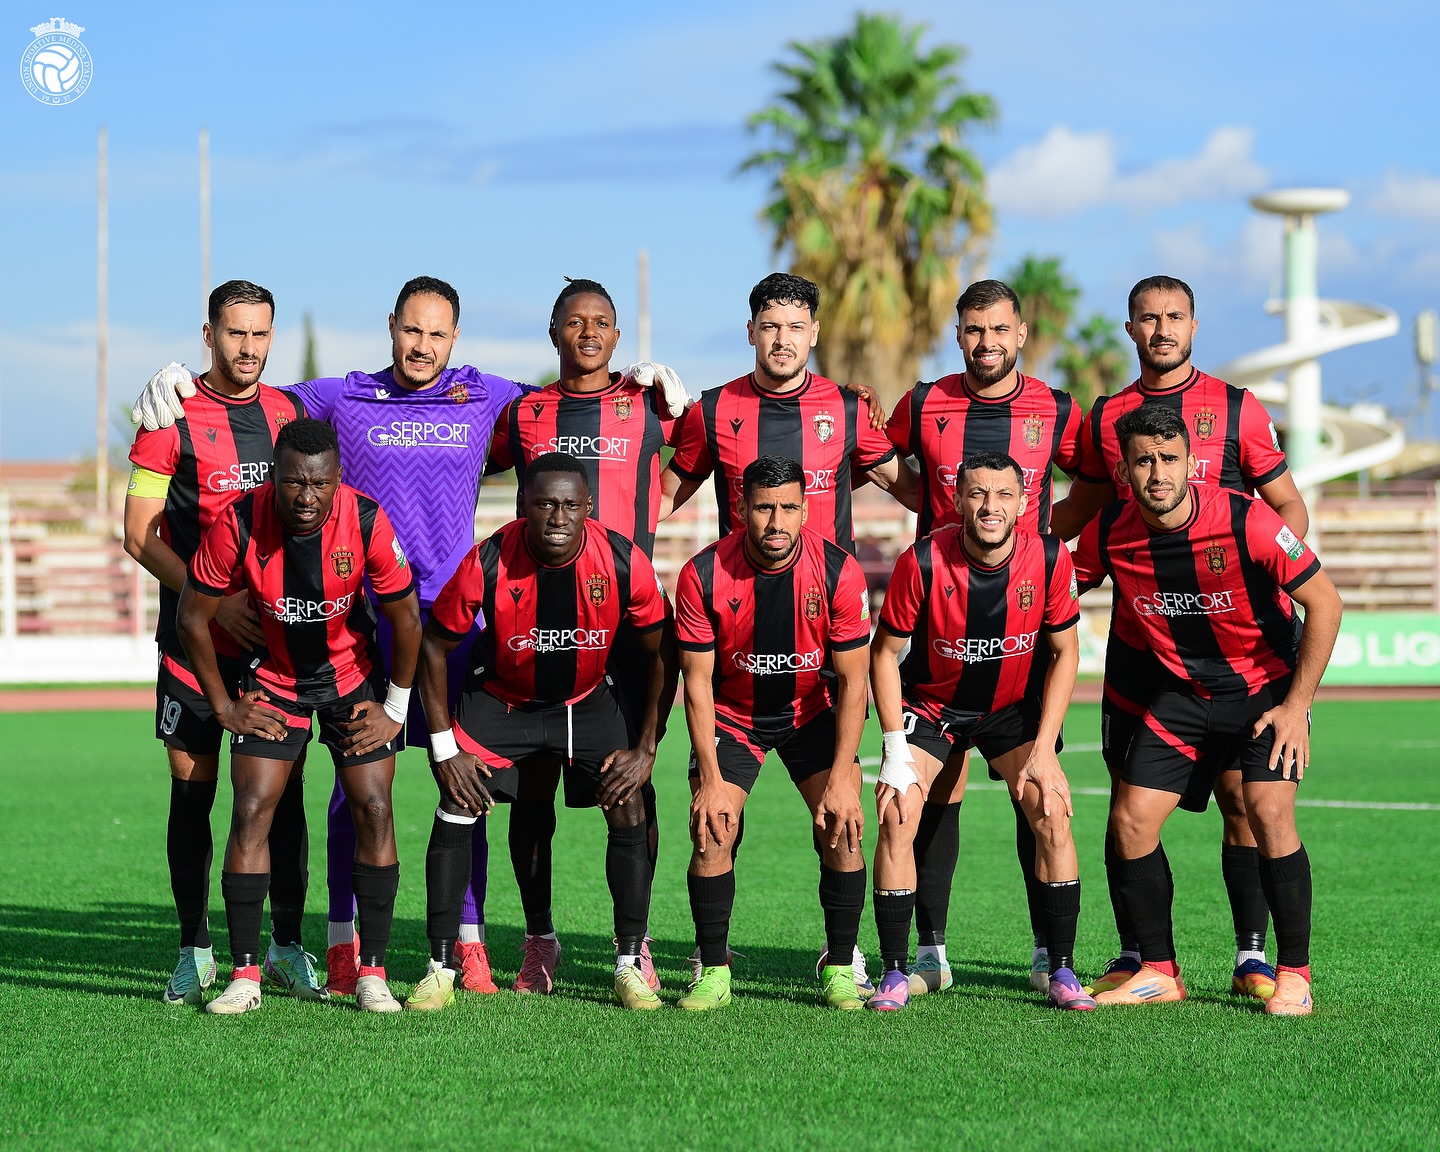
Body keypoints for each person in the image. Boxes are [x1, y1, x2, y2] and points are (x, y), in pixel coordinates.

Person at [130, 277, 687, 997]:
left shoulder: (485, 395)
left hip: (457, 626)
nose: (422, 346)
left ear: (454, 339)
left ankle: (470, 941)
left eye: (437, 334)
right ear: (391, 327)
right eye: (411, 330)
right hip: (367, 627)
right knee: (354, 790)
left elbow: (572, 396)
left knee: (468, 782)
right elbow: (258, 398)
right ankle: (341, 942)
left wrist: (639, 384)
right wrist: (181, 384)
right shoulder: (343, 395)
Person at [1049, 275, 1311, 1001]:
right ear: (1130, 329)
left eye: (1174, 318)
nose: (1161, 330)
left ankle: (1256, 957)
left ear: (1193, 325)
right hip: (1148, 652)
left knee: (1246, 799)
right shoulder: (1107, 419)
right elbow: (1088, 512)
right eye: (1147, 319)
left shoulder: (1237, 409)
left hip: (1240, 642)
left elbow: (1285, 508)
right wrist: (1020, 557)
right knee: (1128, 808)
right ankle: (1143, 958)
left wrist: (1260, 566)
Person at [1071, 403, 1341, 1014]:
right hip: (1183, 697)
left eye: (1169, 459)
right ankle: (1160, 971)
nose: (1157, 473)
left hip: (1265, 692)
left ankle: (1293, 975)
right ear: (1127, 469)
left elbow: (1325, 604)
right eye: (1143, 460)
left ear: (1194, 464)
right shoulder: (1111, 530)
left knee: (1267, 810)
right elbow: (1056, 591)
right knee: (1130, 821)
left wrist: (1297, 707)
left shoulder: (1248, 520)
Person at [405, 453, 677, 1011]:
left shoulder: (622, 561)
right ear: (523, 505)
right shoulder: (488, 560)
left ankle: (628, 962)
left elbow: (662, 653)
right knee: (458, 802)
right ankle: (446, 968)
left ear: (589, 509)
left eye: (570, 506)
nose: (557, 517)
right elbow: (434, 645)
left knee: (628, 803)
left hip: (585, 699)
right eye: (545, 504)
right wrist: (443, 746)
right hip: (503, 702)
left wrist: (646, 747)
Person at [177, 418, 422, 1014]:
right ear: (274, 478)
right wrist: (225, 707)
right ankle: (245, 976)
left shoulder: (366, 520)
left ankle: (373, 974)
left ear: (337, 479)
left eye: (318, 484)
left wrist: (395, 707)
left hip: (351, 682)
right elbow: (191, 616)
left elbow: (407, 620)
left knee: (375, 809)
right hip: (275, 682)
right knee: (253, 811)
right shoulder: (237, 520)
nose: (306, 497)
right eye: (293, 483)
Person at [883, 279, 1084, 996]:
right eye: (974, 331)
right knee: (935, 797)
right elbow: (884, 462)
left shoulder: (1058, 409)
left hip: (1020, 640)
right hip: (942, 623)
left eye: (999, 330)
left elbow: (1092, 479)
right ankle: (926, 951)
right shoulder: (925, 402)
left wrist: (1060, 544)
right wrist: (929, 502)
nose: (987, 343)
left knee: (1040, 794)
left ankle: (1047, 954)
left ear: (1021, 333)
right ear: (958, 334)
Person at [485, 277, 683, 987]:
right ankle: (540, 939)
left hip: (625, 628)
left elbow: (710, 454)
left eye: (602, 322)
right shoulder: (525, 412)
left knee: (631, 783)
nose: (589, 333)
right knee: (534, 787)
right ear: (554, 333)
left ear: (618, 338)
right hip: (537, 622)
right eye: (575, 322)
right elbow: (455, 459)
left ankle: (636, 942)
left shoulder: (648, 409)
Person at [123, 279, 314, 1006]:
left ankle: (288, 945)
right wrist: (216, 602)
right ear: (208, 336)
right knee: (193, 795)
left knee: (280, 797)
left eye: (261, 334)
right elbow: (137, 533)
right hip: (192, 641)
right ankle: (194, 948)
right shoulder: (170, 418)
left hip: (275, 647)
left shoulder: (289, 412)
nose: (249, 348)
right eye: (235, 333)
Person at [867, 451, 1091, 1011]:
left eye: (1003, 495)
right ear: (959, 499)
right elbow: (885, 654)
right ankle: (903, 969)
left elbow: (1065, 652)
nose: (990, 507)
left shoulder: (1047, 558)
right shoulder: (921, 562)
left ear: (1022, 503)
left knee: (1050, 805)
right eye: (978, 494)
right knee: (898, 808)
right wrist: (895, 749)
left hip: (1011, 707)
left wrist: (1044, 751)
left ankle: (1058, 968)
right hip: (933, 704)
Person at [674, 455, 872, 1011]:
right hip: (734, 717)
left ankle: (840, 964)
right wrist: (710, 778)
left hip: (812, 711)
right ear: (741, 510)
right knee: (713, 827)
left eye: (788, 507)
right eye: (764, 507)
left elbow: (856, 684)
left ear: (806, 510)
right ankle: (712, 968)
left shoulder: (838, 571)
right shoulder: (703, 574)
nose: (776, 521)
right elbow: (697, 685)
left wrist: (840, 777)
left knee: (844, 823)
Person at [661, 272, 917, 553]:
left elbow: (912, 492)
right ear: (751, 332)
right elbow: (664, 498)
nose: (783, 340)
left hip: (828, 591)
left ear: (813, 333)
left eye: (796, 327)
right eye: (770, 327)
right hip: (742, 590)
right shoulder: (712, 410)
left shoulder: (848, 409)